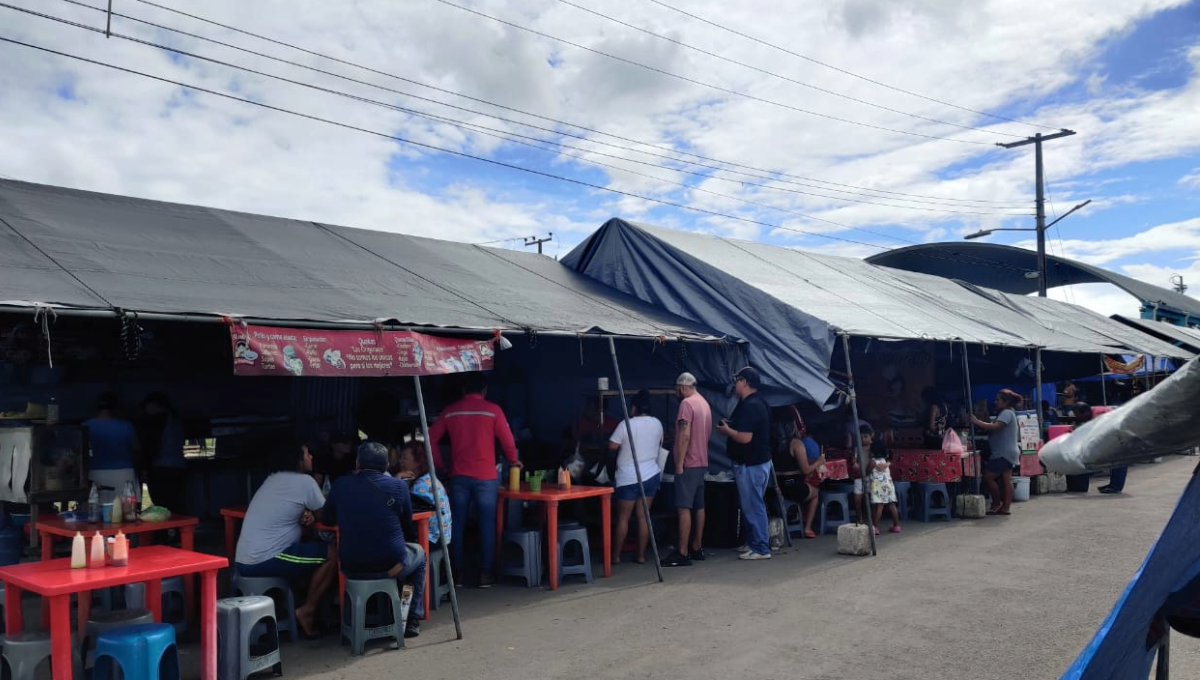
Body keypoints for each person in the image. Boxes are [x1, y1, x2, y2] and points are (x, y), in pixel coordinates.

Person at [235, 440, 337, 639]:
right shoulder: (306, 482)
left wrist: (306, 513)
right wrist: (312, 513)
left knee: (309, 551)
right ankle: (307, 611)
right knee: (332, 554)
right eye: (307, 454)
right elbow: (326, 517)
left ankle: (294, 605)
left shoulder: (272, 479)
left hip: (244, 559)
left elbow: (291, 509)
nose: (311, 457)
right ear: (298, 460)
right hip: (266, 559)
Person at [324, 442, 426, 639]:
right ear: (387, 465)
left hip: (351, 567)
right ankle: (411, 618)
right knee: (420, 556)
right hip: (391, 566)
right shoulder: (399, 486)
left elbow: (328, 519)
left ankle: (353, 621)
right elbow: (407, 526)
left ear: (357, 463)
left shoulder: (340, 485)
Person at [427, 374, 520, 588]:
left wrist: (441, 467)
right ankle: (485, 574)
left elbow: (430, 438)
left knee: (456, 525)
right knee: (487, 525)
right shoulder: (493, 410)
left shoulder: (451, 411)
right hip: (486, 478)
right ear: (484, 390)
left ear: (463, 390)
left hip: (458, 476)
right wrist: (514, 460)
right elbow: (508, 442)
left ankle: (457, 575)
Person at [718, 366, 773, 561]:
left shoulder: (751, 405)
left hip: (751, 463)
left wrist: (727, 431)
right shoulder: (755, 403)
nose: (735, 384)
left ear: (745, 382)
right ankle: (753, 542)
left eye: (738, 380)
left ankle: (761, 548)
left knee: (753, 505)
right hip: (756, 462)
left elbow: (744, 438)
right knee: (751, 504)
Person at [607, 390, 663, 565]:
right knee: (643, 517)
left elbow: (612, 447)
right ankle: (640, 555)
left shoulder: (626, 425)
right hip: (651, 475)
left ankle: (615, 556)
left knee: (623, 518)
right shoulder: (657, 424)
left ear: (633, 408)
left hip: (628, 477)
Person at [662, 372, 711, 568]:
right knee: (699, 507)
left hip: (689, 463)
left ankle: (682, 551)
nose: (676, 392)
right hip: (702, 462)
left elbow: (684, 435)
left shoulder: (686, 404)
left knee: (683, 507)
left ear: (682, 387)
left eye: (676, 389)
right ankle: (697, 546)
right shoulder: (704, 403)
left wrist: (680, 463)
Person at [771, 407, 823, 539]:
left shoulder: (772, 443)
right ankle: (807, 527)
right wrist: (819, 462)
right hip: (793, 486)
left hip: (775, 486)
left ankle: (794, 516)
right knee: (816, 493)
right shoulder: (796, 444)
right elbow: (806, 470)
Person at [971, 389, 1022, 516]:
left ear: (1006, 402)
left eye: (998, 400)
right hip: (1008, 452)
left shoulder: (1006, 413)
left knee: (988, 477)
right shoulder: (1008, 412)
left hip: (1003, 453)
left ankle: (996, 504)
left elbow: (995, 427)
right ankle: (1005, 507)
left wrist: (976, 421)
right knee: (1006, 480)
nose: (995, 402)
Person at [393, 438, 452, 547]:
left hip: (432, 538)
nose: (400, 461)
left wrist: (397, 480)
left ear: (417, 462)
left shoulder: (422, 486)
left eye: (405, 458)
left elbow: (403, 512)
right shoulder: (427, 478)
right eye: (400, 457)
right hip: (440, 536)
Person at [84, 393, 140, 506]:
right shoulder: (127, 425)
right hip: (124, 473)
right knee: (127, 510)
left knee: (96, 510)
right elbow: (136, 448)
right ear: (116, 407)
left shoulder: (86, 426)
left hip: (96, 473)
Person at [141, 392, 186, 514]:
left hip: (161, 468)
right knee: (175, 502)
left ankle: (165, 532)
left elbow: (152, 446)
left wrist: (144, 468)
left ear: (155, 405)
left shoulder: (158, 420)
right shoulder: (176, 420)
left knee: (162, 504)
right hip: (178, 467)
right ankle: (176, 530)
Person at [864, 424, 901, 535]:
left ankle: (874, 527)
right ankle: (896, 526)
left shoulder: (873, 462)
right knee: (892, 505)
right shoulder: (885, 462)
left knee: (879, 507)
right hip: (889, 485)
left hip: (878, 487)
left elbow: (867, 472)